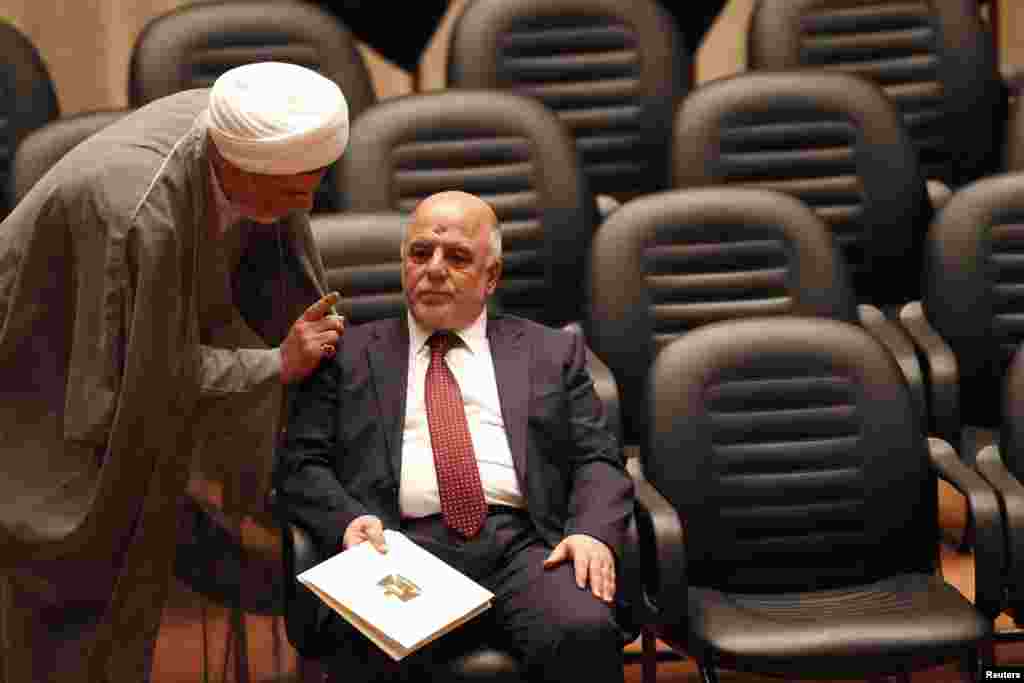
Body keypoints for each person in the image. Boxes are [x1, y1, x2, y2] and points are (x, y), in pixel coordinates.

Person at [0, 61, 347, 682]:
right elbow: (142, 381)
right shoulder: (138, 213)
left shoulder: (231, 133)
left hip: (104, 346)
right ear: (244, 169)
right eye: (296, 191)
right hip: (42, 383)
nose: (308, 204)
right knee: (76, 594)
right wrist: (275, 364)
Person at [276, 190, 635, 682]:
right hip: (399, 547)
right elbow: (301, 466)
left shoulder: (551, 352)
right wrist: (348, 520)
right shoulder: (346, 356)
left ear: (492, 277)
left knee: (584, 630)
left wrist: (591, 531)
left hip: (524, 546)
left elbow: (598, 458)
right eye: (420, 253)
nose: (435, 268)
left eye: (458, 257)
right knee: (373, 645)